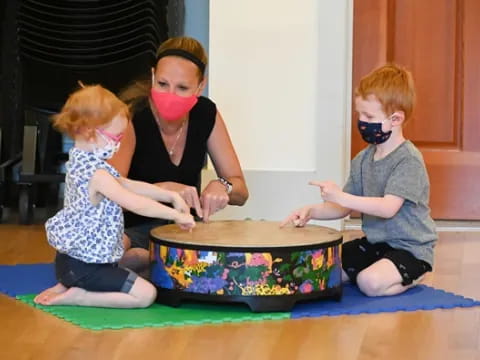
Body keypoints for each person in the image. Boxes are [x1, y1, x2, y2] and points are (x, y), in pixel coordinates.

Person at [281, 64, 437, 297]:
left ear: (395, 119)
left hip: (410, 249)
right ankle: (380, 269)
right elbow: (343, 207)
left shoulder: (408, 160)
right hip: (375, 245)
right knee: (322, 269)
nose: (362, 121)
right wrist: (312, 211)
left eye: (369, 116)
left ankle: (415, 274)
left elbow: (388, 208)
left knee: (369, 283)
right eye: (359, 114)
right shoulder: (363, 159)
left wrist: (342, 196)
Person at [34, 84, 195, 308]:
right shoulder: (97, 174)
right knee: (146, 295)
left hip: (71, 262)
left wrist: (171, 196)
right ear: (91, 131)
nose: (118, 144)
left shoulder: (83, 162)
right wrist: (175, 215)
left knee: (138, 259)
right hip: (87, 268)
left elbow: (128, 184)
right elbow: (134, 202)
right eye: (115, 137)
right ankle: (81, 296)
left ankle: (67, 282)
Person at [109, 37, 249, 271]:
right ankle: (148, 263)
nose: (170, 94)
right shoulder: (130, 116)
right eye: (162, 84)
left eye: (182, 88)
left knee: (230, 256)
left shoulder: (206, 113)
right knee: (117, 246)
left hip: (184, 229)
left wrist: (222, 185)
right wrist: (160, 190)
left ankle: (151, 265)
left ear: (200, 86)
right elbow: (108, 195)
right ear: (153, 76)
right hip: (131, 228)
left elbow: (241, 191)